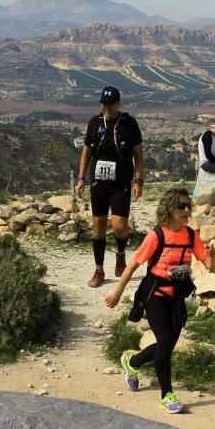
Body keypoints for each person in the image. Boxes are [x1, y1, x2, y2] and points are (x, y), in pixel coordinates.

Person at [105, 188, 215, 414]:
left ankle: (132, 363)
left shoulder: (190, 235)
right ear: (169, 209)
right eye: (181, 206)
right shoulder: (156, 236)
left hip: (177, 296)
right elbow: (134, 264)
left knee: (166, 346)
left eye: (188, 206)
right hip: (155, 296)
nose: (187, 210)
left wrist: (211, 255)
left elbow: (209, 266)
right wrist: (117, 292)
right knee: (165, 342)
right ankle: (167, 395)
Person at [75, 86, 145, 287]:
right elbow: (86, 152)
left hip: (120, 181)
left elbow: (138, 155)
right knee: (98, 226)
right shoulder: (94, 123)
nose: (107, 107)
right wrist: (81, 178)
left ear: (118, 103)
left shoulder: (129, 123)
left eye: (111, 103)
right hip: (98, 181)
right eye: (104, 104)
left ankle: (121, 254)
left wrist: (138, 181)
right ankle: (99, 270)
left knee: (120, 226)